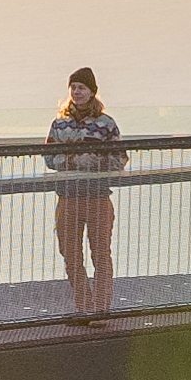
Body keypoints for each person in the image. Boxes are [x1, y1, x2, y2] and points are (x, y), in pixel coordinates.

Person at [44, 65, 128, 321]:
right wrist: (70, 162)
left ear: (92, 92)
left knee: (101, 253)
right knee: (70, 253)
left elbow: (120, 158)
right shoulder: (59, 124)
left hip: (98, 197)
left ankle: (101, 309)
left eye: (82, 88)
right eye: (73, 87)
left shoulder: (106, 124)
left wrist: (96, 163)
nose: (77, 92)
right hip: (68, 196)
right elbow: (48, 157)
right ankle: (83, 306)